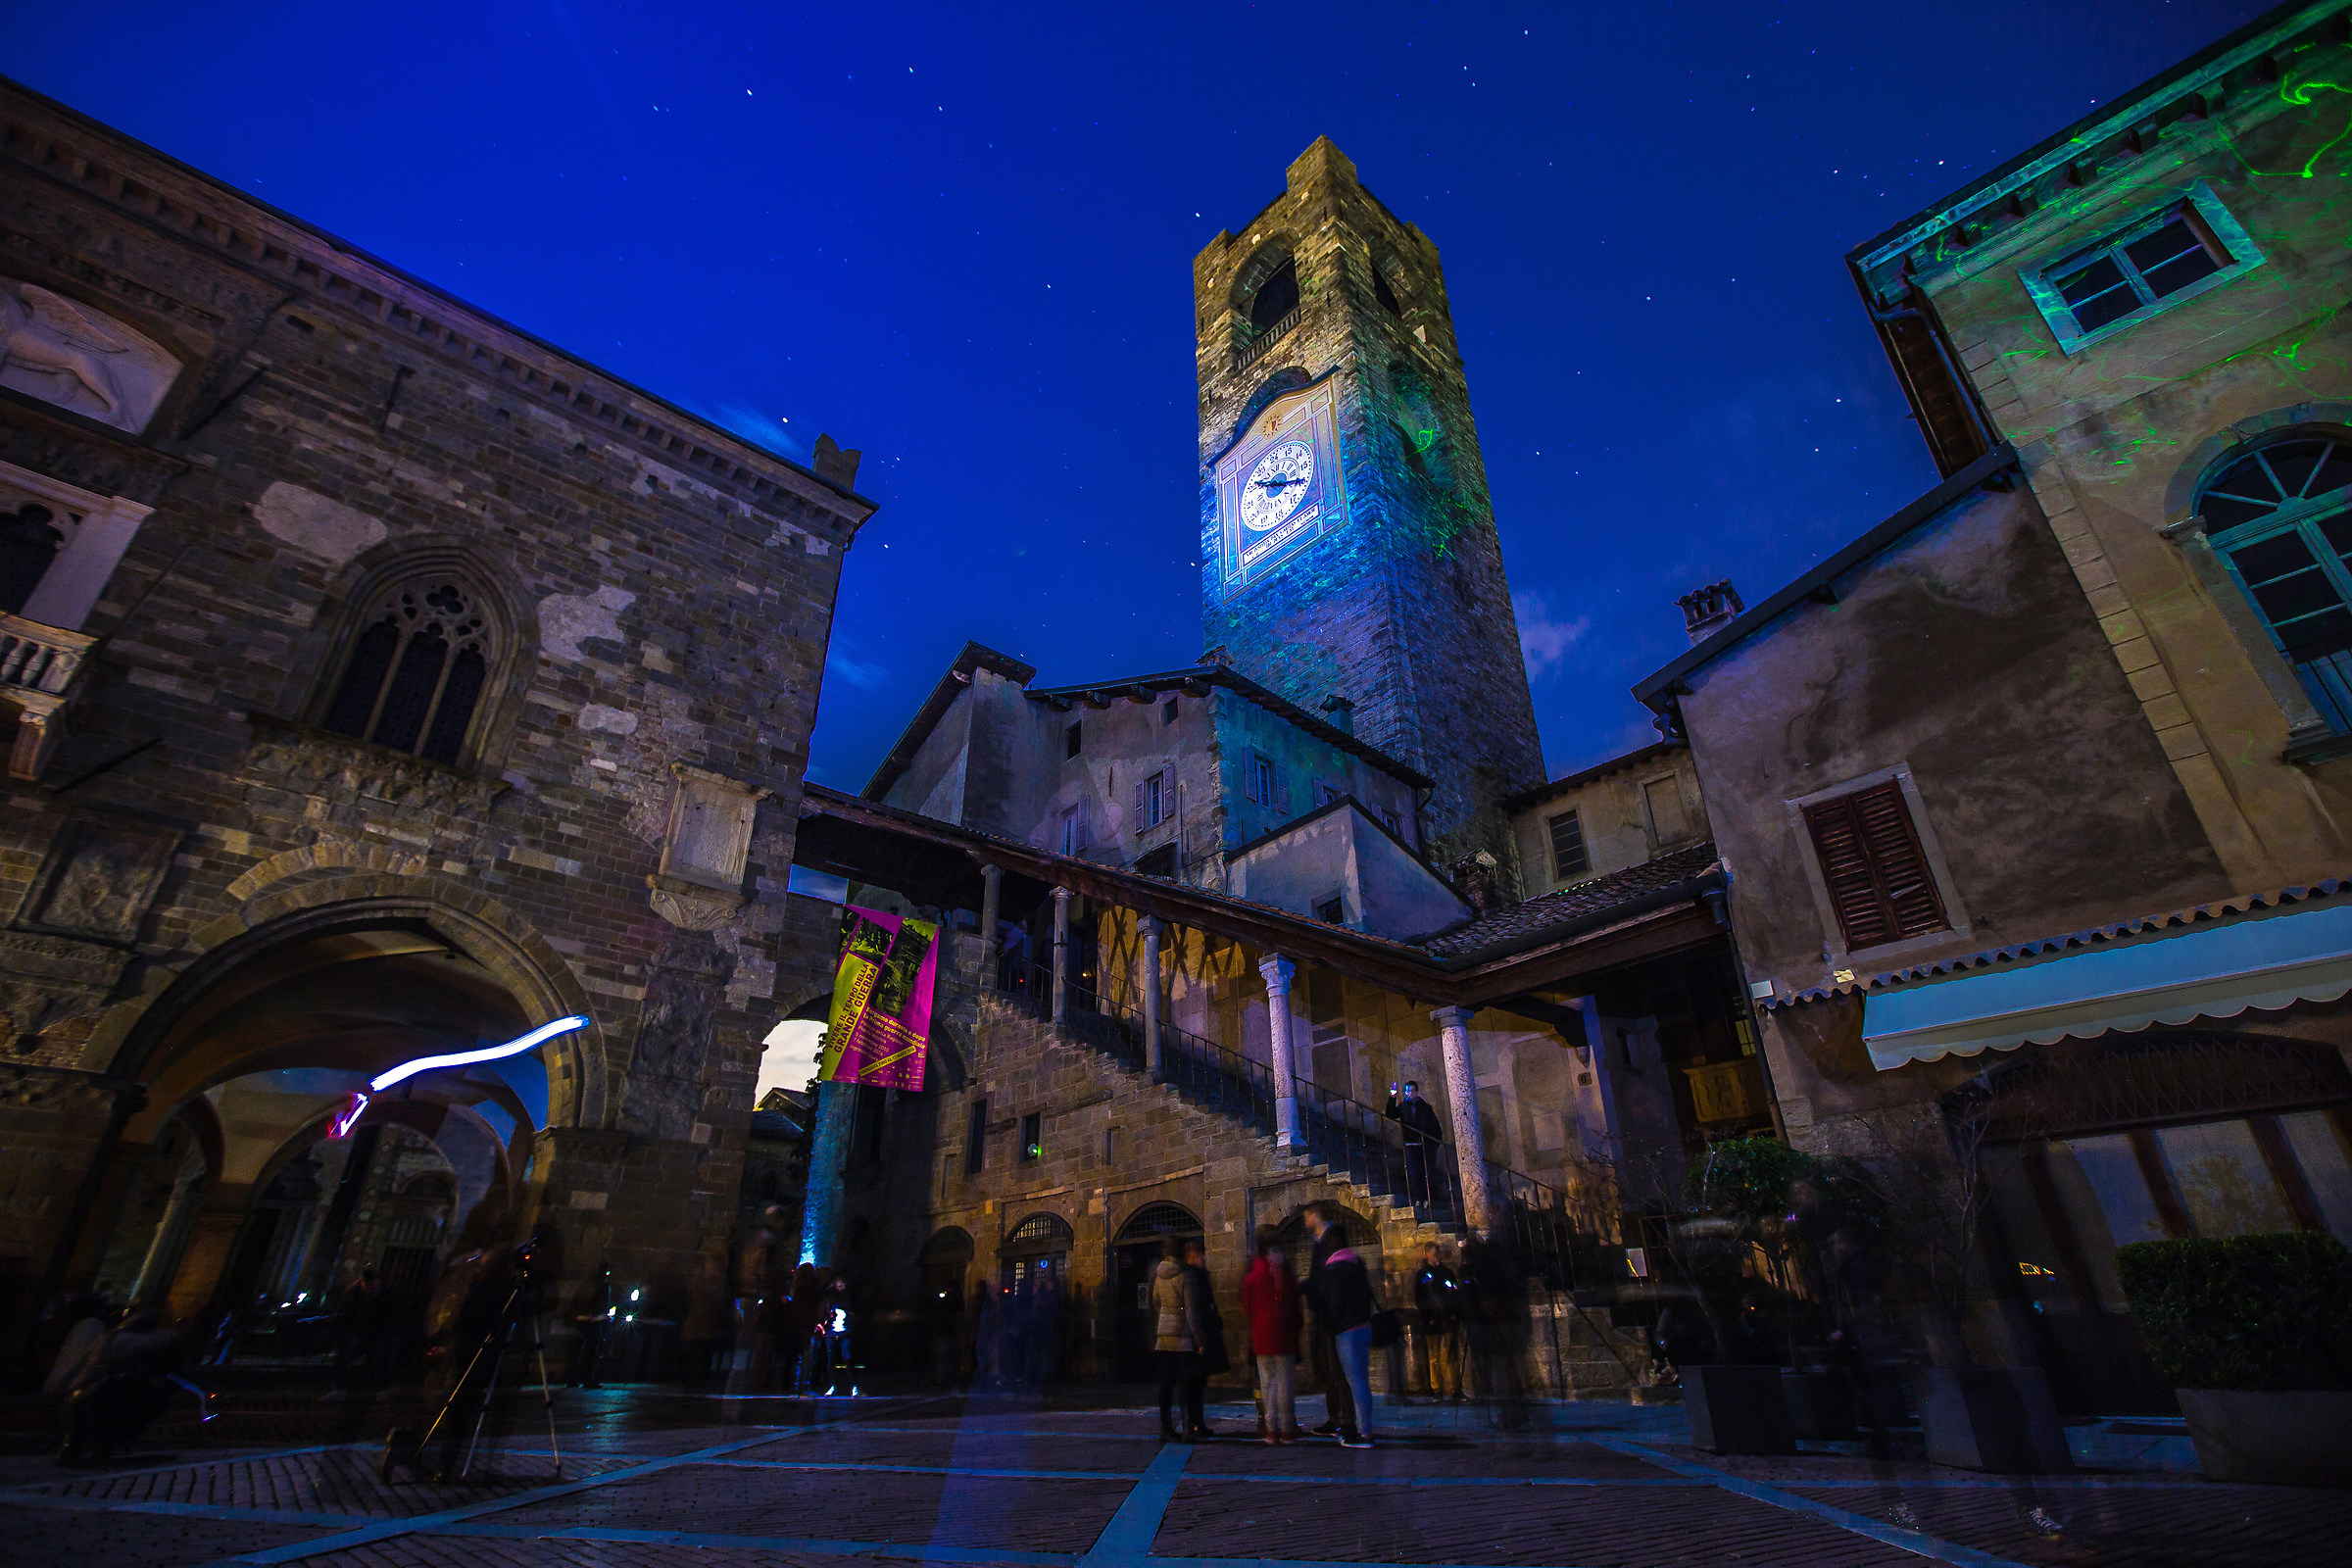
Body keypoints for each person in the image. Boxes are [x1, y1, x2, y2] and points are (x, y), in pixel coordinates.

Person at [1312, 1208, 1378, 1448]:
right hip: (1364, 1326)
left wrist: (1329, 1325)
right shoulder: (1356, 1262)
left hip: (1346, 1331)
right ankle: (1366, 1428)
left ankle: (1362, 1434)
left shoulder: (1335, 1266)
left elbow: (1335, 1303)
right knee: (1362, 1381)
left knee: (1354, 1382)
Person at [1241, 1225, 1301, 1443]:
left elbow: (1246, 1302)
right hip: (1285, 1332)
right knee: (1286, 1383)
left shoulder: (1255, 1267)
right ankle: (1287, 1428)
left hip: (1262, 1333)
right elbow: (1295, 1299)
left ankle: (1271, 1429)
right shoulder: (1285, 1267)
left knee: (1267, 1383)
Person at [1301, 1204, 1352, 1439]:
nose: (1304, 1220)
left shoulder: (1331, 1242)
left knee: (1336, 1369)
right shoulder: (1322, 1242)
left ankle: (1343, 1420)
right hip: (1326, 1314)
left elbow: (1325, 1280)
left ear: (1315, 1216)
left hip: (1331, 1317)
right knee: (1327, 1368)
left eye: (1307, 1216)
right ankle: (1338, 1418)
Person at [1150, 1237, 1208, 1442]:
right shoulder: (1185, 1277)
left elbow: (1156, 1302)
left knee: (1165, 1385)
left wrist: (1164, 1319)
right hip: (1182, 1337)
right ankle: (1186, 1428)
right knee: (1184, 1384)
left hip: (1163, 1336)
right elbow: (1191, 1312)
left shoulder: (1158, 1277)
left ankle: (1165, 1427)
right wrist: (1199, 1339)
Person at [1181, 1238, 1227, 1435]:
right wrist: (1199, 1339)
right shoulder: (1192, 1277)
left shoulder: (1199, 1275)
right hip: (1194, 1339)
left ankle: (1197, 1422)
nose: (1203, 1258)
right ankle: (1194, 1422)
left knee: (1198, 1383)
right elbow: (1193, 1311)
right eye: (1200, 1254)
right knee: (1194, 1383)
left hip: (1199, 1335)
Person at [1412, 1243, 1461, 1402]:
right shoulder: (1422, 1275)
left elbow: (1454, 1291)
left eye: (1437, 1254)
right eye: (1433, 1254)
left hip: (1447, 1318)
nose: (1436, 1257)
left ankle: (1456, 1389)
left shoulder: (1446, 1272)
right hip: (1432, 1320)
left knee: (1452, 1355)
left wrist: (1453, 1311)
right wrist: (1428, 1316)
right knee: (1434, 1357)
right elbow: (1419, 1298)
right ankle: (1437, 1389)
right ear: (1427, 1255)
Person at [1385, 1081, 1446, 1207]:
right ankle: (1418, 1197)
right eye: (1409, 1091)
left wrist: (1434, 1142)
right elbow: (1391, 1114)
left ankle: (1428, 1198)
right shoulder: (1403, 1106)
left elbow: (1434, 1125)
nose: (1411, 1093)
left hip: (1426, 1145)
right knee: (1414, 1172)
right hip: (1411, 1144)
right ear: (1406, 1092)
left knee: (1427, 1171)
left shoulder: (1425, 1107)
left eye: (1413, 1090)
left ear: (1417, 1092)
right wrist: (1392, 1096)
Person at [564, 1264, 613, 1388]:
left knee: (577, 1349)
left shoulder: (585, 1285)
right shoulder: (603, 1286)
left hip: (581, 1320)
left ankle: (572, 1378)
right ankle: (587, 1378)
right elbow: (601, 1306)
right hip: (593, 1322)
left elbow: (575, 1302)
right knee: (591, 1351)